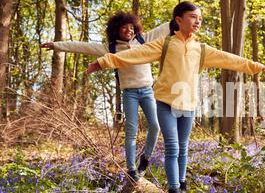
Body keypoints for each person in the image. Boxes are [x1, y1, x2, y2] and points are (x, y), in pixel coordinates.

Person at [86, 1, 265, 193]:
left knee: (183, 149)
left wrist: (255, 66)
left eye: (199, 18)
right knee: (172, 147)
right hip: (165, 102)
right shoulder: (165, 44)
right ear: (178, 20)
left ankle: (182, 189)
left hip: (189, 105)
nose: (197, 21)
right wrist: (103, 62)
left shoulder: (201, 49)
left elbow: (228, 58)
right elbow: (134, 55)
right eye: (193, 17)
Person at [41, 11, 169, 181]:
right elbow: (82, 46)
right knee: (131, 130)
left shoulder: (142, 40)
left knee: (155, 126)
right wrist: (57, 45)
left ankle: (145, 159)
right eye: (125, 28)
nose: (129, 31)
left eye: (131, 27)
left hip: (147, 91)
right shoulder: (110, 48)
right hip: (129, 93)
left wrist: (184, 18)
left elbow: (165, 27)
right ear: (117, 30)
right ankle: (131, 169)